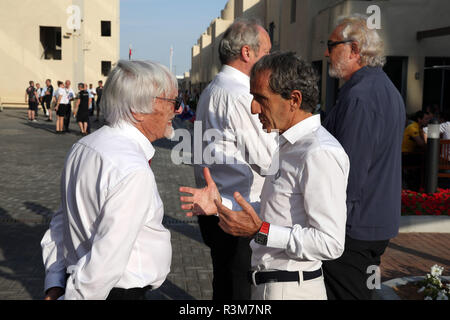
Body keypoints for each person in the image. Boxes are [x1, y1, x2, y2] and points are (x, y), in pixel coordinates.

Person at [180, 52, 349, 300]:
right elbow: (274, 208)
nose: (253, 107)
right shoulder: (288, 144)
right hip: (271, 285)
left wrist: (261, 231)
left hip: (291, 290)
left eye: (261, 98)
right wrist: (219, 204)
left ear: (294, 99)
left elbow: (330, 242)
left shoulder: (319, 152)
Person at [41, 60, 183, 300]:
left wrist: (54, 280)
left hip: (80, 283)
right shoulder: (132, 169)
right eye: (173, 102)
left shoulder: (83, 146)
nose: (178, 110)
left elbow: (60, 221)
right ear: (138, 110)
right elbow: (104, 263)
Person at [181, 19, 276, 300]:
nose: (270, 60)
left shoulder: (211, 89)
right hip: (239, 211)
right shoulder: (241, 95)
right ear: (247, 53)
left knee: (224, 284)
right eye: (267, 53)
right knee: (238, 290)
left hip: (216, 208)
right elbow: (269, 159)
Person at [320, 15, 406, 300]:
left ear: (354, 49)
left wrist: (325, 223)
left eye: (332, 45)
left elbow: (348, 173)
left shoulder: (360, 96)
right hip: (373, 222)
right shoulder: (385, 89)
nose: (326, 52)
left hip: (354, 227)